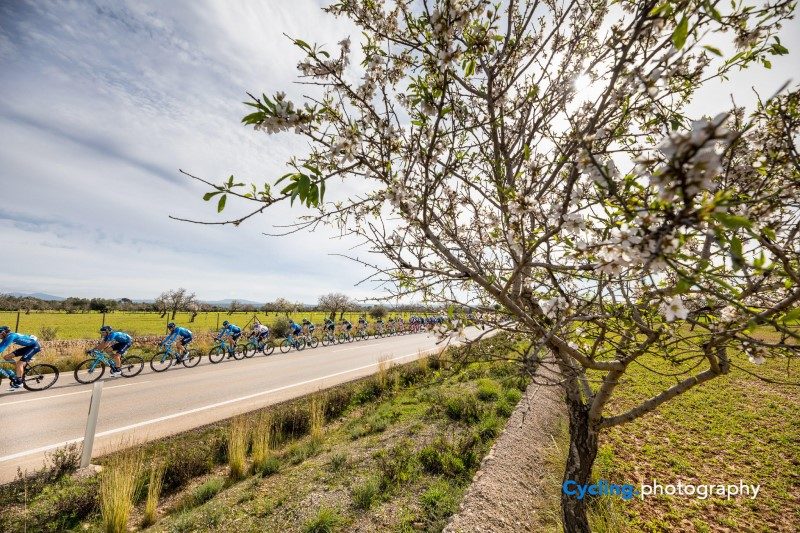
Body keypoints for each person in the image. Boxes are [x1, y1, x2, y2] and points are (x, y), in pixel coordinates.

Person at [0, 326, 41, 391]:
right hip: (29, 347)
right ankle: (20, 368)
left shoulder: (11, 336)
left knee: (19, 363)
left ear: (4, 333)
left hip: (34, 346)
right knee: (6, 357)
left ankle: (19, 383)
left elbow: (2, 347)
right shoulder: (7, 337)